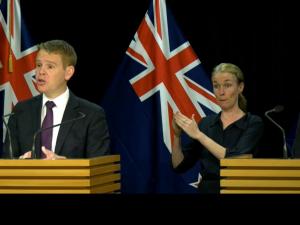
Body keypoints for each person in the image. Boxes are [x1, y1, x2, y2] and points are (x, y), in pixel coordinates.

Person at [2, 39, 110, 159]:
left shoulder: (90, 114)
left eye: (50, 66)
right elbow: (6, 161)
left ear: (68, 73)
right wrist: (18, 165)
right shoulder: (21, 110)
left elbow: (99, 168)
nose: (41, 72)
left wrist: (65, 165)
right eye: (38, 65)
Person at [171, 63, 264, 193]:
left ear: (240, 87)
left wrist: (199, 136)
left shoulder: (253, 123)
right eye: (216, 86)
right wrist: (176, 135)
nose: (221, 92)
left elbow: (235, 160)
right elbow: (179, 166)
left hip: (238, 189)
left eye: (227, 85)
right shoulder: (205, 124)